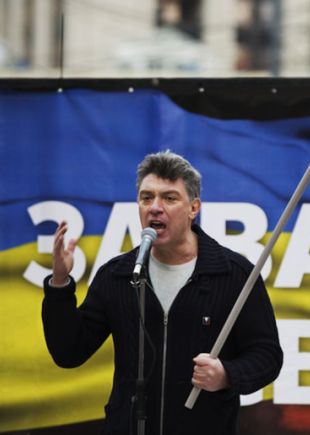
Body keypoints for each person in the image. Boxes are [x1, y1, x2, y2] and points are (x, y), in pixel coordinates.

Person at [42, 150, 283, 435]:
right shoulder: (118, 275)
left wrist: (226, 375)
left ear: (194, 208)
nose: (155, 207)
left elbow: (267, 356)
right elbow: (69, 352)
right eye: (147, 198)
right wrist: (60, 282)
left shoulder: (234, 274)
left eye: (169, 198)